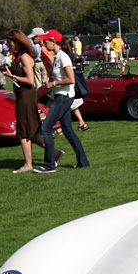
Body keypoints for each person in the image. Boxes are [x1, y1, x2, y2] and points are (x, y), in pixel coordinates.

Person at [35, 30, 89, 172]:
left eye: (46, 40)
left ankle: (49, 165)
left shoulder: (63, 57)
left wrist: (54, 84)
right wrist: (51, 80)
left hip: (63, 97)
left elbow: (71, 79)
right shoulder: (57, 56)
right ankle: (83, 162)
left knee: (45, 128)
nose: (44, 42)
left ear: (54, 41)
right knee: (68, 131)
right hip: (62, 96)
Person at [0, 29, 45, 173]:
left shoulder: (24, 56)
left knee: (24, 130)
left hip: (26, 94)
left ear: (18, 41)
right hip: (22, 94)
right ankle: (54, 153)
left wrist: (12, 76)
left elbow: (30, 80)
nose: (8, 45)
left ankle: (28, 164)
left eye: (10, 42)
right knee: (31, 129)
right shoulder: (18, 56)